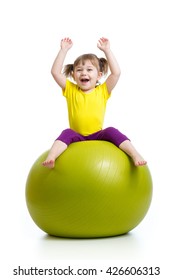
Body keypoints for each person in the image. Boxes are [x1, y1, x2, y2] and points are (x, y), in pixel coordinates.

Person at [42, 37, 147, 168]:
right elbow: (55, 72)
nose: (83, 73)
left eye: (89, 70)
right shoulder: (70, 89)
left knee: (112, 131)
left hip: (98, 135)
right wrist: (63, 50)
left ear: (99, 75)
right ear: (74, 75)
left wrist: (107, 51)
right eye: (79, 70)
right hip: (76, 135)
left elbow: (116, 73)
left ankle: (135, 154)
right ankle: (52, 158)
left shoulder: (103, 90)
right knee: (66, 133)